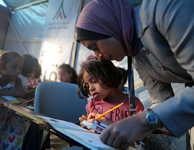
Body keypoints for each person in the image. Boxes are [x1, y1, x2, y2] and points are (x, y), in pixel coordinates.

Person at [76, 0, 194, 149]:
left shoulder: (165, 8)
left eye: (94, 46)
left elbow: (156, 115)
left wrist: (140, 121)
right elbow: (162, 102)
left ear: (107, 25)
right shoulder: (136, 56)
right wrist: (116, 126)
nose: (98, 56)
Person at [77, 59, 144, 125]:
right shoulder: (93, 104)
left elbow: (142, 131)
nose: (91, 88)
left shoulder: (133, 104)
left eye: (94, 81)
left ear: (108, 75)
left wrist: (111, 125)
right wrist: (86, 124)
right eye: (87, 85)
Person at [0, 51, 26, 149]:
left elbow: (21, 93)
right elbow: (16, 93)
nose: (18, 71)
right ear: (1, 66)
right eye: (14, 67)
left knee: (12, 140)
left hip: (10, 117)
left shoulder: (17, 81)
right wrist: (4, 102)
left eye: (20, 68)